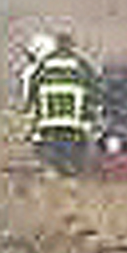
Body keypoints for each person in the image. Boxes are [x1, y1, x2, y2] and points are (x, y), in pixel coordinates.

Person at [22, 30, 101, 174]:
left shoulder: (43, 66)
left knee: (53, 162)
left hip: (47, 131)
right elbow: (95, 94)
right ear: (72, 46)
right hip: (75, 131)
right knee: (75, 166)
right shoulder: (82, 64)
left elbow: (30, 99)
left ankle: (53, 168)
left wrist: (32, 125)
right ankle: (71, 167)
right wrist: (92, 121)